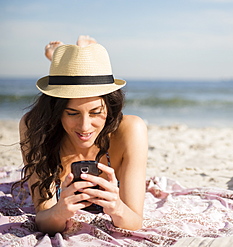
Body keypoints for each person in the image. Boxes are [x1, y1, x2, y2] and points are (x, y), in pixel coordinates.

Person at [12, 36, 148, 235]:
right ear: (56, 112)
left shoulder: (129, 130)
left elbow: (134, 221)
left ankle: (67, 59)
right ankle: (66, 60)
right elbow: (45, 220)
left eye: (95, 112)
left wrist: (117, 207)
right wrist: (59, 212)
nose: (84, 127)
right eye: (72, 113)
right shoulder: (36, 128)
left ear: (110, 108)